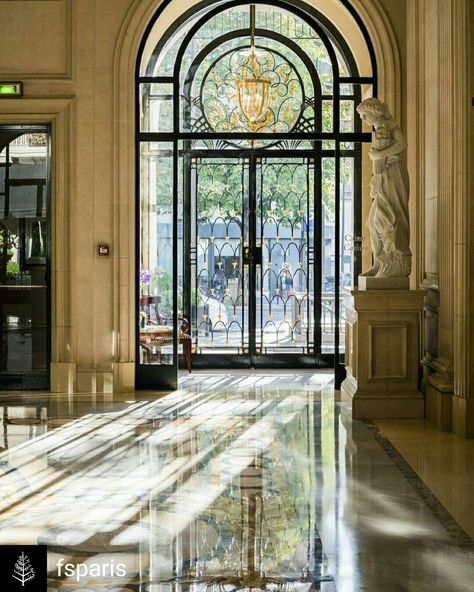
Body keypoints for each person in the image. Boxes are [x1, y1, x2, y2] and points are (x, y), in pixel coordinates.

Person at [356, 98, 411, 277]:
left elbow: (402, 145)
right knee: (372, 222)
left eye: (365, 114)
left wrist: (379, 154)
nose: (363, 118)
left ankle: (395, 261)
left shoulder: (391, 126)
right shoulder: (379, 130)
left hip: (394, 174)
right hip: (383, 177)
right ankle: (380, 262)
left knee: (391, 216)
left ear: (376, 111)